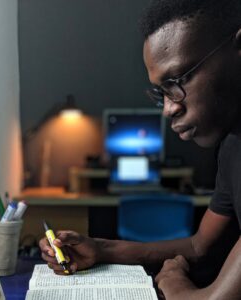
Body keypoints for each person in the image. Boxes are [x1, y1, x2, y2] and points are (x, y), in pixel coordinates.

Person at [40, 0, 241, 298]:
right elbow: (199, 246)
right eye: (161, 92)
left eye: (176, 81)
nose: (169, 109)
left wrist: (173, 281)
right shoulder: (232, 145)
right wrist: (99, 248)